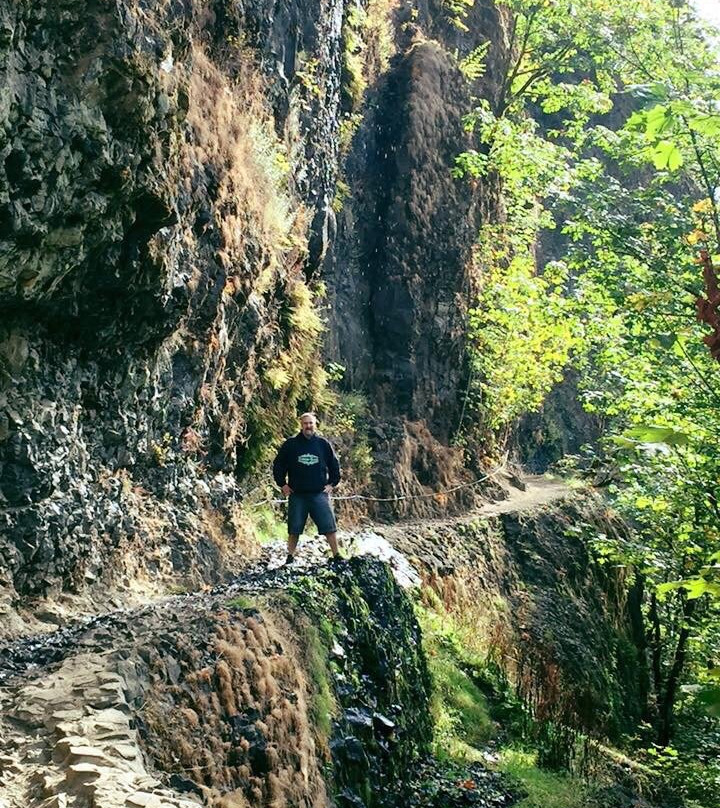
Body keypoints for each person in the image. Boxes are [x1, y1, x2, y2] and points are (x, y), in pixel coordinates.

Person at [272, 412, 342, 564]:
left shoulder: (323, 444)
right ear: (301, 425)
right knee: (294, 528)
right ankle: (290, 557)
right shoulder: (290, 445)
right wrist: (282, 484)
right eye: (305, 423)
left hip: (319, 494)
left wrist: (332, 483)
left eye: (311, 423)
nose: (308, 426)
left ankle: (336, 555)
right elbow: (278, 465)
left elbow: (334, 465)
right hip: (297, 494)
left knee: (329, 526)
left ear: (315, 424)